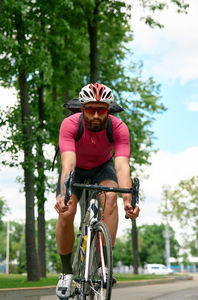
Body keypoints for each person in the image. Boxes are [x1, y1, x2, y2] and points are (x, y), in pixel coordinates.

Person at [54, 82, 140, 299]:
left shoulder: (118, 128)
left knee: (111, 197)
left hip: (103, 168)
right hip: (76, 169)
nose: (95, 115)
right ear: (82, 108)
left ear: (108, 110)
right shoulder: (70, 124)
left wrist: (128, 200)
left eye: (101, 110)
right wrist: (64, 192)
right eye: (90, 109)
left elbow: (121, 166)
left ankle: (103, 265)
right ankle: (66, 272)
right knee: (66, 211)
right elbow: (68, 163)